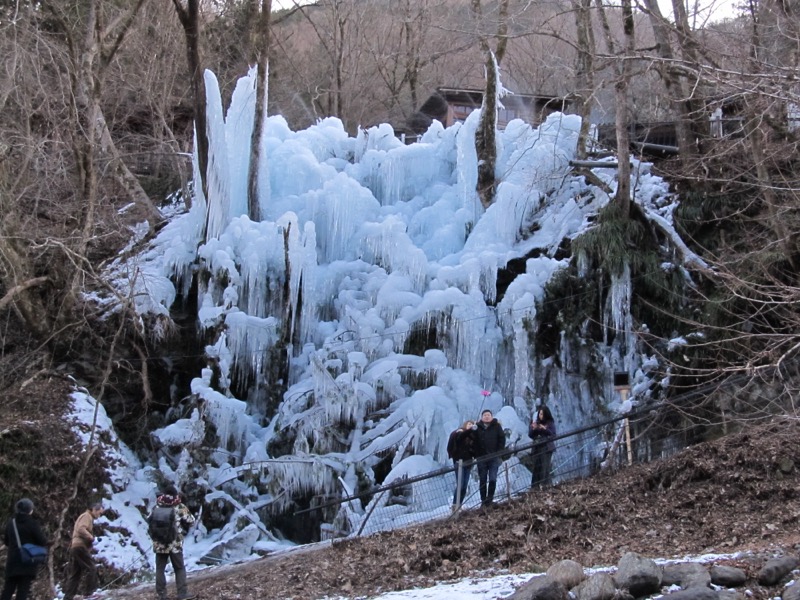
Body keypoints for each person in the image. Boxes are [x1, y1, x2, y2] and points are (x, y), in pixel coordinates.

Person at [149, 485, 196, 600]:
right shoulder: (179, 507)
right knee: (179, 568)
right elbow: (191, 520)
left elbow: (150, 521)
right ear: (176, 495)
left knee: (160, 569)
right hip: (175, 543)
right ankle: (182, 593)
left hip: (159, 543)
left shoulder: (157, 506)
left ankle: (161, 595)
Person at [1, 498, 48, 600]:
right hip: (27, 561)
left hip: (12, 561)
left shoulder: (11, 523)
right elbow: (42, 541)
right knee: (23, 591)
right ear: (30, 510)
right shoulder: (32, 523)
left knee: (8, 589)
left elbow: (6, 541)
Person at [62, 501, 104, 600]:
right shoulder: (87, 516)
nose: (99, 515)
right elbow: (81, 529)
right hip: (80, 547)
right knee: (91, 568)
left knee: (76, 573)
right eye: (99, 512)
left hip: (75, 547)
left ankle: (68, 596)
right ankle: (89, 593)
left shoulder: (86, 516)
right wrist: (92, 538)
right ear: (94, 510)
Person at [474, 409, 506, 507]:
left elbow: (502, 439)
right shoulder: (477, 428)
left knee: (493, 478)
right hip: (481, 458)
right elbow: (473, 440)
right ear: (481, 417)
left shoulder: (496, 426)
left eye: (488, 415)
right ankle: (483, 501)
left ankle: (490, 499)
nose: (487, 416)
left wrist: (499, 452)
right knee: (483, 480)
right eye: (484, 415)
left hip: (494, 457)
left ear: (492, 417)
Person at [446, 420, 478, 510]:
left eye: (472, 424)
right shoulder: (459, 433)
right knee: (460, 484)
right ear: (465, 425)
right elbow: (461, 437)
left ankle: (459, 504)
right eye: (469, 424)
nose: (470, 426)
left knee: (464, 486)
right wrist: (471, 430)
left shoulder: (472, 437)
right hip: (458, 463)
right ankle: (454, 504)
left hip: (468, 463)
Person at [528, 405, 557, 488]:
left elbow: (553, 435)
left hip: (547, 448)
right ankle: (535, 487)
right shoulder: (536, 422)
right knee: (536, 468)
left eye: (542, 414)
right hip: (537, 448)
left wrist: (545, 429)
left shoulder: (550, 423)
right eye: (540, 414)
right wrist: (533, 429)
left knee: (545, 467)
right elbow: (530, 435)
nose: (541, 416)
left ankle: (545, 485)